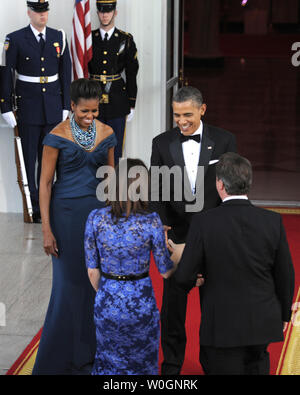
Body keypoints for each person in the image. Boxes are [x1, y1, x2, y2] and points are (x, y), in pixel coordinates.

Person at [173, 152, 295, 375]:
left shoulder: (204, 222)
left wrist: (194, 279)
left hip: (221, 328)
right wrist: (284, 314)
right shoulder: (272, 221)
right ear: (248, 183)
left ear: (220, 184)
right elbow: (285, 273)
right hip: (261, 323)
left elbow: (183, 277)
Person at [150, 86, 237, 375]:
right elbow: (157, 191)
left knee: (213, 308)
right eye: (176, 115)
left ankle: (212, 365)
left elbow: (231, 190)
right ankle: (172, 365)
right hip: (177, 238)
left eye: (188, 114)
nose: (182, 121)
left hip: (213, 237)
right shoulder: (161, 143)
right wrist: (163, 230)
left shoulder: (225, 141)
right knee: (173, 309)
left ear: (202, 109)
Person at [32, 78, 117, 375]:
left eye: (94, 111)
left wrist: (115, 219)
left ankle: (91, 355)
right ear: (71, 106)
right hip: (65, 215)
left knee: (96, 284)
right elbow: (44, 184)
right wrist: (46, 229)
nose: (89, 117)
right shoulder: (56, 135)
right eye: (84, 111)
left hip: (99, 215)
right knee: (68, 285)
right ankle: (58, 360)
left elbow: (110, 178)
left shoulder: (107, 132)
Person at [84, 158, 177, 375]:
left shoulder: (95, 218)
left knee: (108, 362)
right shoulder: (152, 221)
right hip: (141, 305)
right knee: (142, 364)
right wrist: (179, 255)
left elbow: (92, 271)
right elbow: (165, 271)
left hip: (107, 302)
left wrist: (109, 294)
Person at [0, 0, 72, 223]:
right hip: (28, 108)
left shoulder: (58, 37)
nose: (43, 15)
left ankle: (50, 204)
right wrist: (5, 107)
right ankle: (34, 207)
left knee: (51, 160)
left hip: (52, 107)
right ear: (29, 13)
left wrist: (65, 105)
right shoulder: (15, 38)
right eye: (38, 12)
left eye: (45, 11)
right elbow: (6, 73)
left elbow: (65, 71)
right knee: (29, 159)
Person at [89, 0, 139, 165]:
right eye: (101, 11)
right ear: (97, 13)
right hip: (93, 100)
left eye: (108, 11)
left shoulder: (125, 39)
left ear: (115, 13)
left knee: (115, 150)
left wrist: (132, 102)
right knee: (93, 149)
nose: (104, 15)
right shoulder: (89, 39)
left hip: (118, 100)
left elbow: (132, 73)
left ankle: (113, 188)